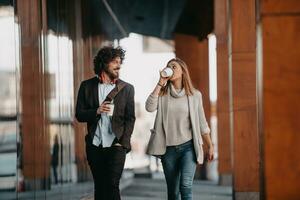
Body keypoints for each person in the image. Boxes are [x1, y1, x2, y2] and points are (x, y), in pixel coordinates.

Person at [145, 58, 214, 200]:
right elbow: (149, 107)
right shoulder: (163, 95)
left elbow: (202, 123)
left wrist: (210, 146)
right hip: (168, 149)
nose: (170, 68)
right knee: (173, 192)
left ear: (183, 71)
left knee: (185, 186)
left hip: (188, 147)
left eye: (174, 66)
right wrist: (160, 83)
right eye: (168, 66)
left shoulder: (195, 95)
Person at [75, 46, 135, 200]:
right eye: (115, 62)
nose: (119, 65)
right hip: (95, 145)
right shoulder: (86, 86)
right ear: (104, 63)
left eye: (120, 62)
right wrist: (96, 111)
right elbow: (79, 115)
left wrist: (124, 143)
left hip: (116, 145)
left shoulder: (127, 89)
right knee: (100, 186)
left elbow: (130, 118)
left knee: (112, 185)